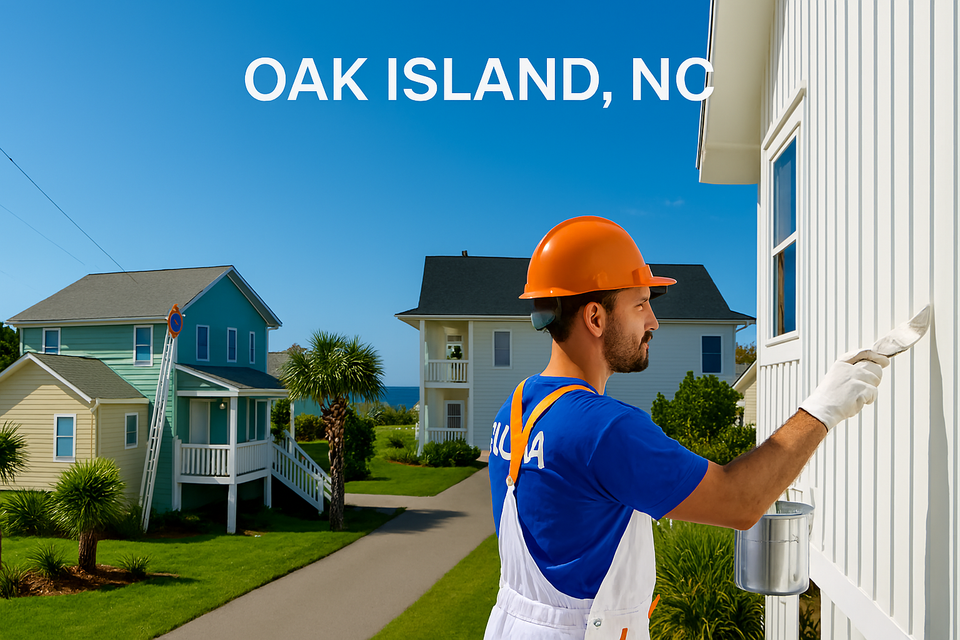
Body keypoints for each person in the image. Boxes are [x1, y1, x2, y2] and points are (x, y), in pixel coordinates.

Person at [484, 216, 888, 640]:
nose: (653, 321)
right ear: (595, 318)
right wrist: (824, 407)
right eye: (640, 304)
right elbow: (740, 501)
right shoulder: (605, 430)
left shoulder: (514, 412)